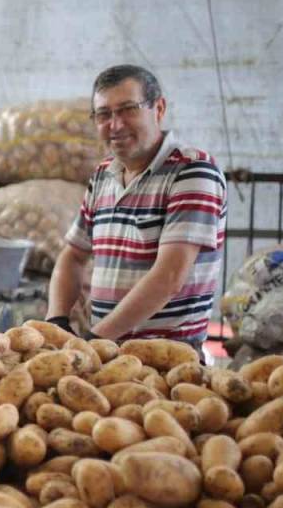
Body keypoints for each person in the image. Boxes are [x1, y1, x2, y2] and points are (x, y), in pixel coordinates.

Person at [46, 65, 227, 352]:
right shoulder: (104, 175)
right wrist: (56, 320)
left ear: (159, 108)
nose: (115, 125)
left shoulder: (192, 172)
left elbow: (169, 277)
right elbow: (73, 256)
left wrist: (95, 339)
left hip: (166, 362)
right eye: (104, 114)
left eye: (128, 109)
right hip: (106, 356)